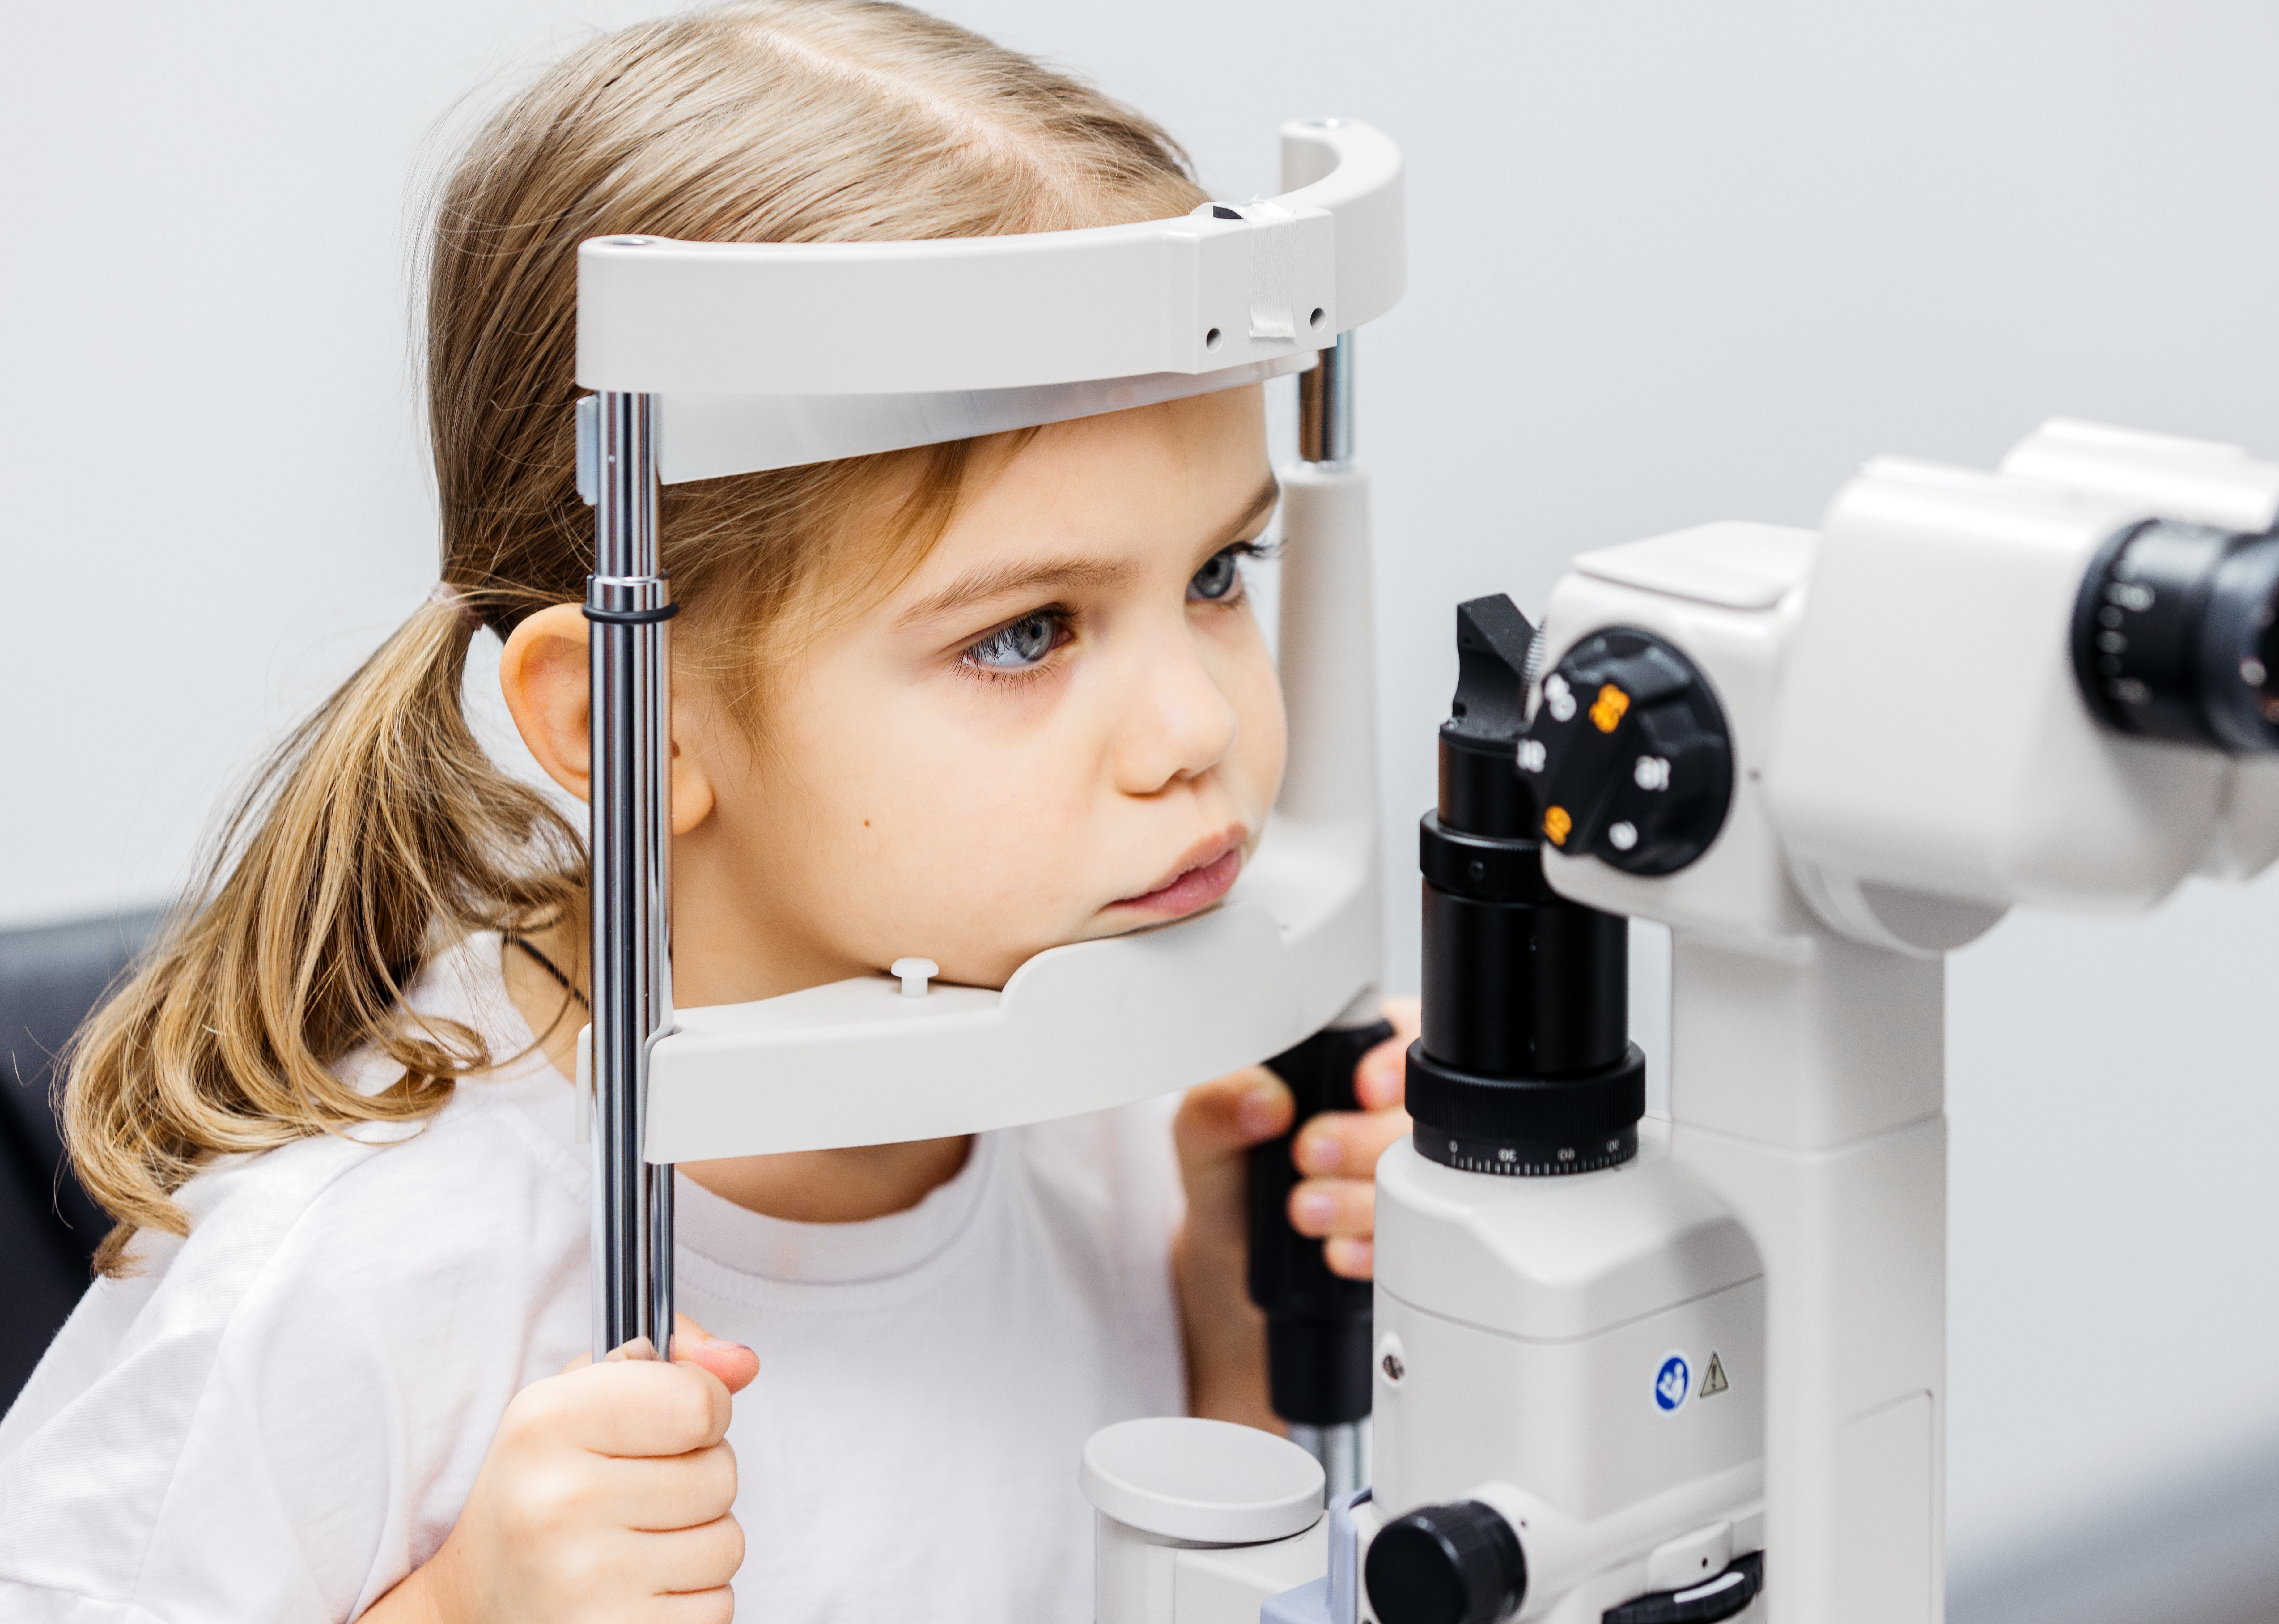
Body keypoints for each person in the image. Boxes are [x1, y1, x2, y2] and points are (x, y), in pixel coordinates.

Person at [0, 5, 1414, 1619]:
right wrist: (453, 1613)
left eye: (1219, 573)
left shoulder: (1124, 1096)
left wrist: (1237, 1350)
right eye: (1024, 632)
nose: (1200, 727)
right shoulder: (355, 1281)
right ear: (634, 719)